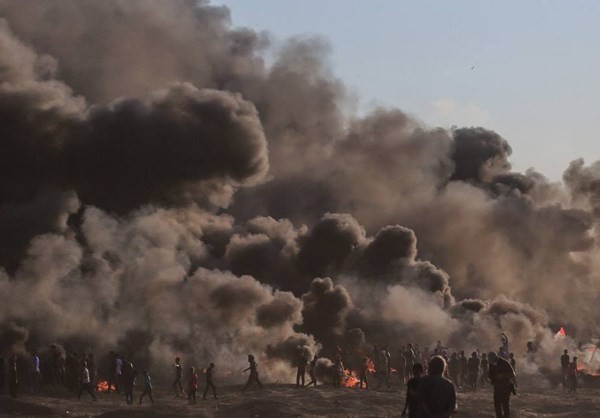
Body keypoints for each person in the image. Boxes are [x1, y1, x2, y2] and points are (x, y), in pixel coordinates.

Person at [488, 351, 516, 418]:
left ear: (496, 357)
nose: (491, 361)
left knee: (505, 405)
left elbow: (513, 374)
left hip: (506, 387)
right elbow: (490, 375)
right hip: (497, 388)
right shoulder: (491, 364)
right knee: (497, 406)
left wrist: (503, 375)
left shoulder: (504, 363)